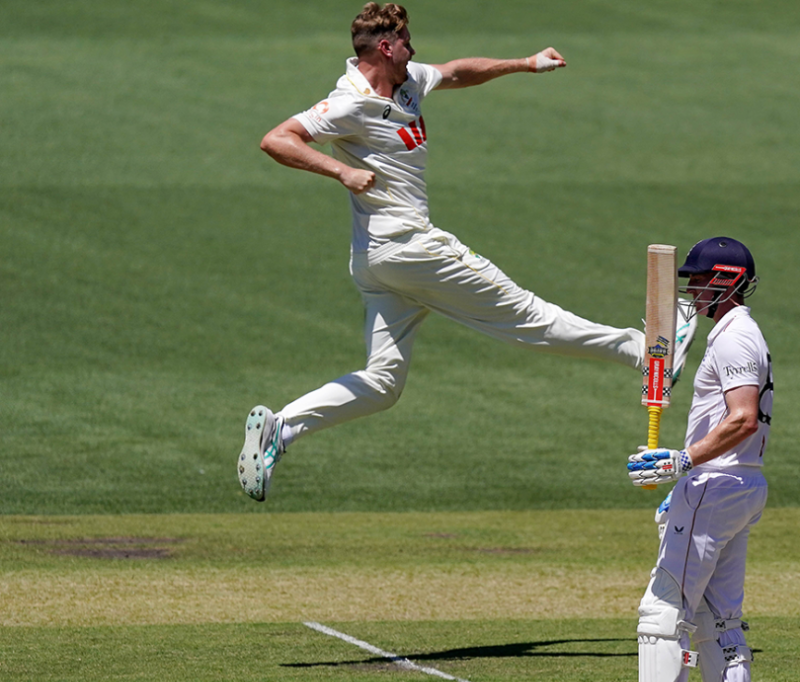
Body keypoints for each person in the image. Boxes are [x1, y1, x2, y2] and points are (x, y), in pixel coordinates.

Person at [237, 2, 694, 501]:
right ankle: (643, 352)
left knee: (383, 383)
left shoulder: (408, 80)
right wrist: (341, 171)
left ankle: (281, 428)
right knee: (526, 316)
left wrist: (525, 63)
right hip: (410, 249)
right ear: (385, 47)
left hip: (378, 264)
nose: (414, 48)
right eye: (406, 41)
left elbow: (456, 72)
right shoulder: (348, 102)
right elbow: (276, 139)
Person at [627, 237, 773, 682]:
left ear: (727, 281)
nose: (691, 290)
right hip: (740, 484)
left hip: (715, 484)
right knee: (718, 617)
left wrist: (683, 462)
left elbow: (742, 418)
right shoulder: (740, 333)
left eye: (698, 280)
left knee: (663, 612)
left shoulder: (734, 337)